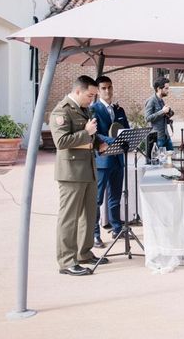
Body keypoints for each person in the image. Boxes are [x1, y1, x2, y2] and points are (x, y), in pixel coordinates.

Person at [49, 75, 110, 276]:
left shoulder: (83, 109)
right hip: (71, 173)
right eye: (90, 95)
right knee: (69, 218)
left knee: (89, 215)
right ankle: (67, 261)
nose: (92, 99)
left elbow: (91, 134)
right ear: (78, 91)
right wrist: (86, 132)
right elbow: (61, 142)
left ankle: (84, 253)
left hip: (88, 168)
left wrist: (98, 141)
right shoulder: (62, 111)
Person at [91, 76, 130, 247]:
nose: (108, 91)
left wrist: (124, 139)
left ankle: (117, 228)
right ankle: (94, 234)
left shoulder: (119, 110)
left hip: (118, 159)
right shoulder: (94, 109)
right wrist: (114, 140)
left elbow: (126, 129)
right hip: (103, 160)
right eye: (104, 88)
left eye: (110, 87)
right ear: (98, 91)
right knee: (97, 199)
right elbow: (95, 133)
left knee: (115, 196)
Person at [145, 76, 174, 151]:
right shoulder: (151, 101)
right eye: (166, 88)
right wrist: (162, 111)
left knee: (171, 157)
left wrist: (168, 116)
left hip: (166, 136)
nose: (168, 90)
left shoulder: (161, 101)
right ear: (158, 88)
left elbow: (160, 117)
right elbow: (147, 118)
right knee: (160, 160)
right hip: (157, 138)